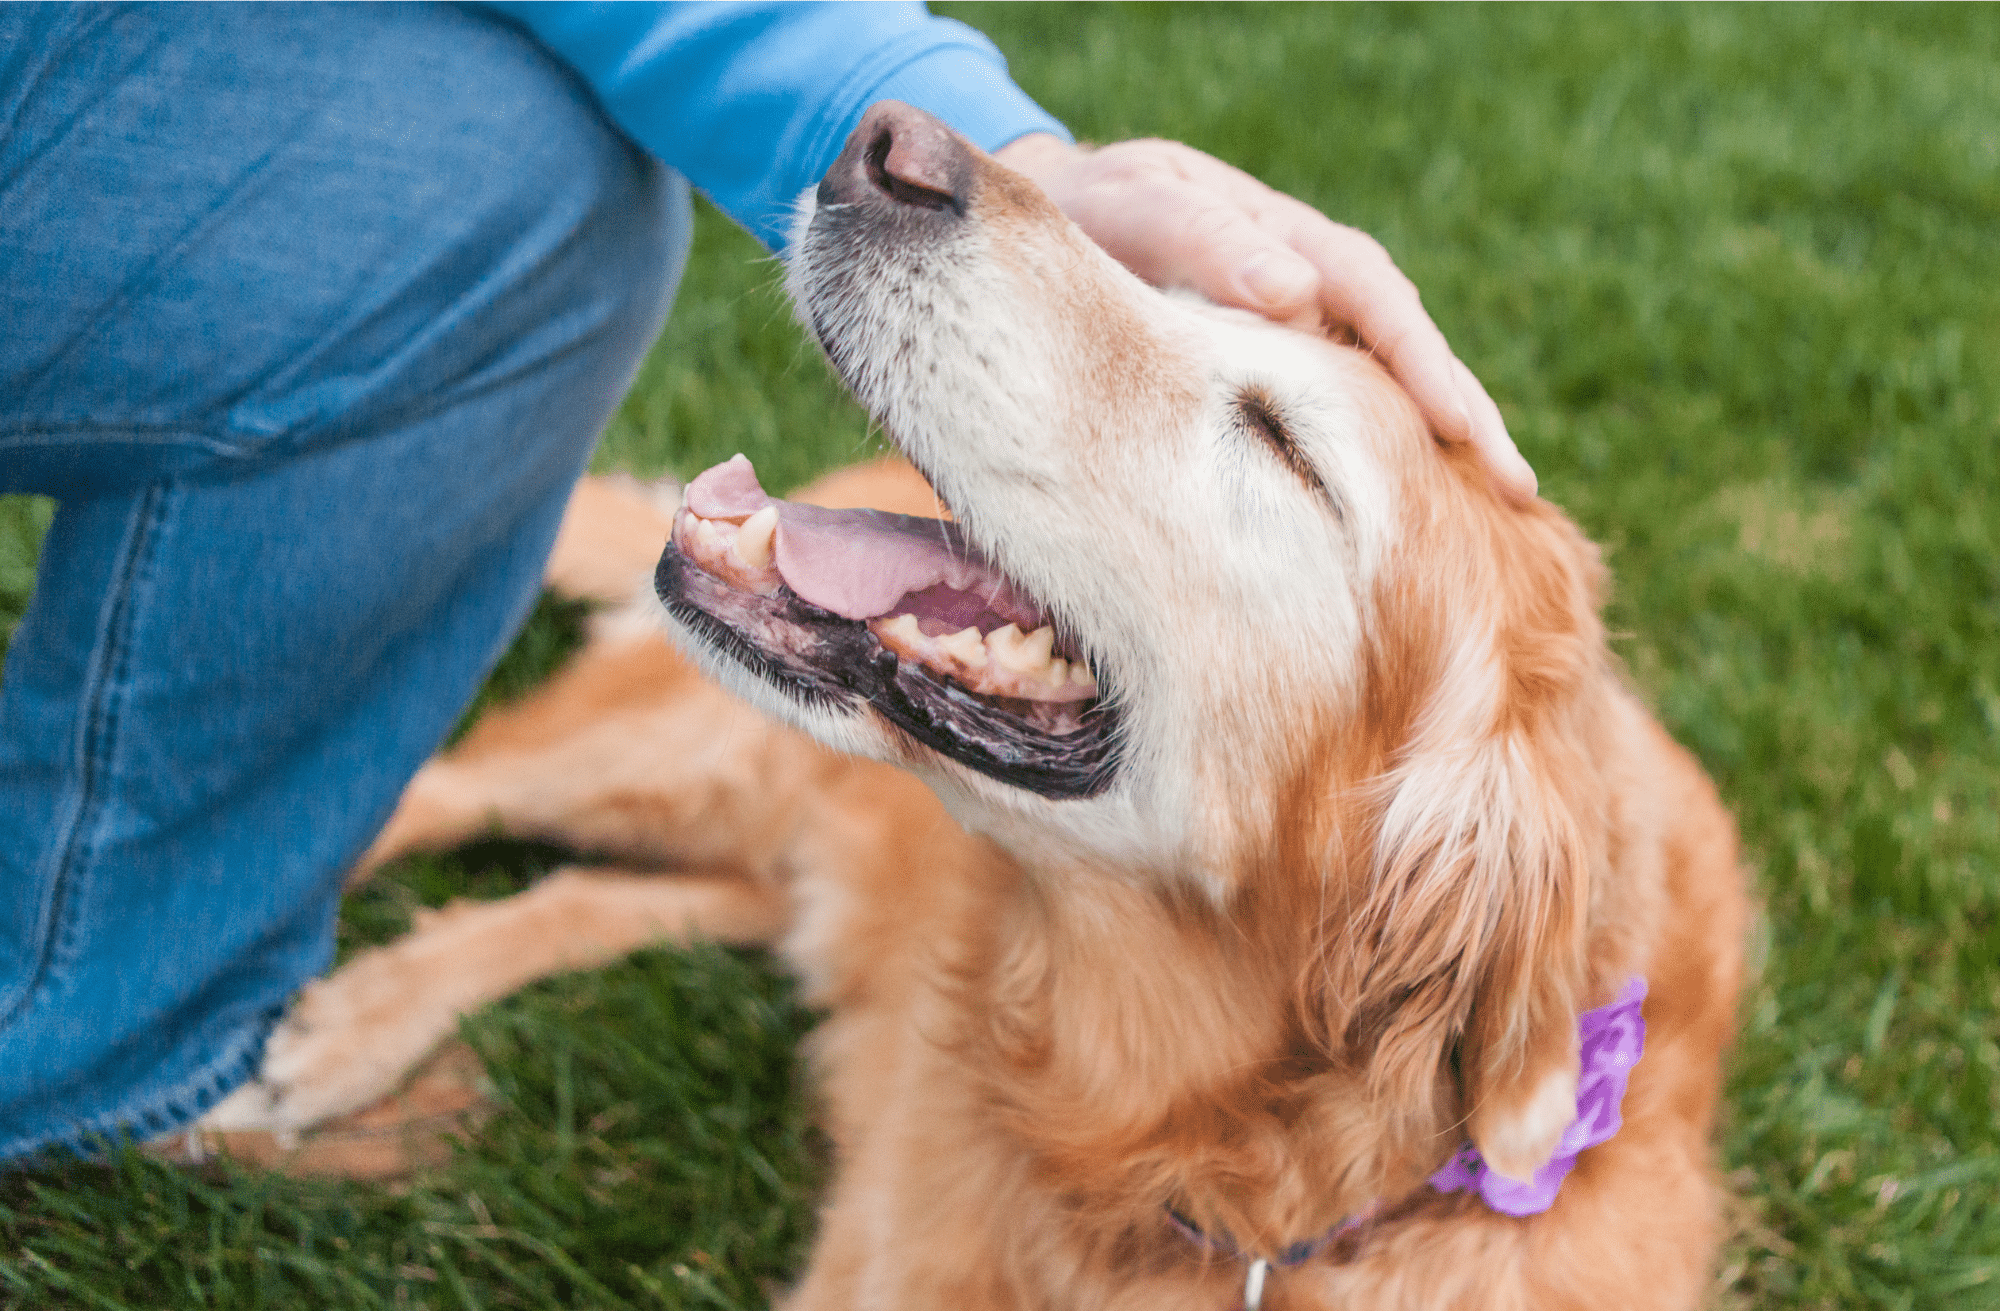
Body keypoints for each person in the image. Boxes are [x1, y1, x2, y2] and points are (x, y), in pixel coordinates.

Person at [0, 2, 1532, 1165]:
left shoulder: (1468, 883)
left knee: (523, 167)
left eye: (1270, 448)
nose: (914, 170)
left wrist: (1035, 161)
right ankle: (132, 991)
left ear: (1418, 878)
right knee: (531, 196)